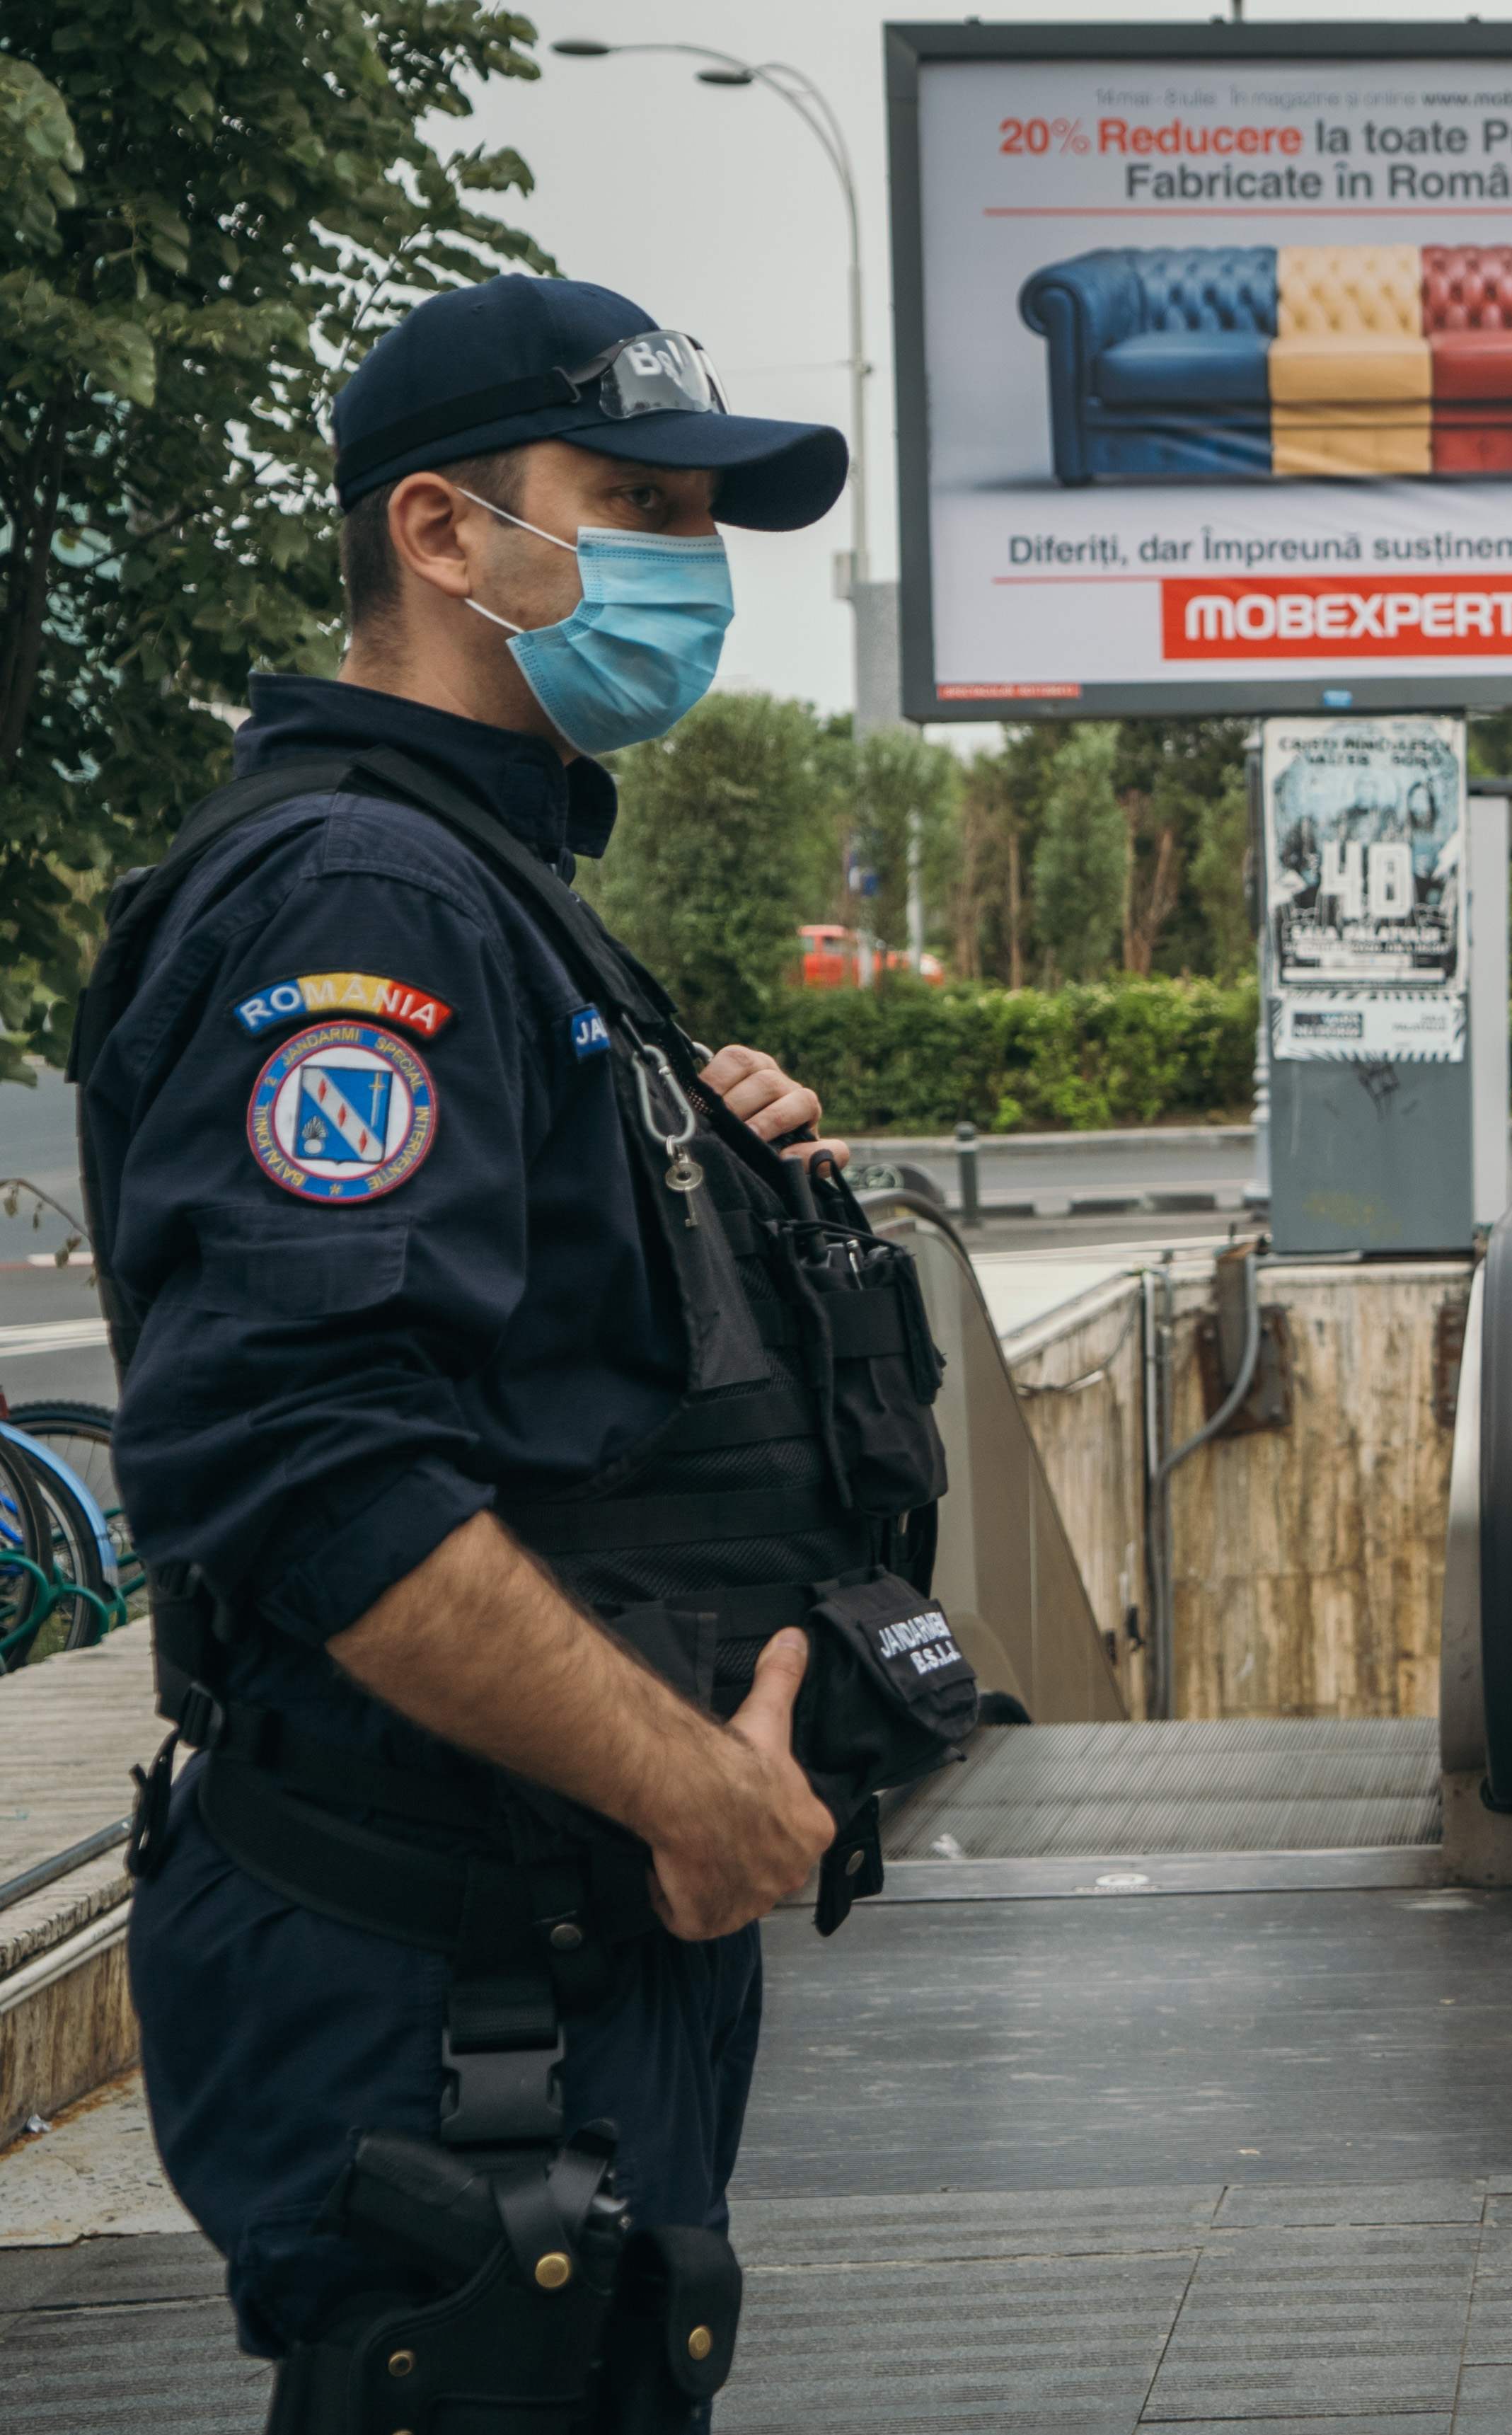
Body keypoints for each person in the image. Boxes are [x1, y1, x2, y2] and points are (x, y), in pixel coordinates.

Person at [73, 276, 969, 2432]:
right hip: (452, 1967)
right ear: (441, 536)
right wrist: (701, 1791)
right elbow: (303, 1460)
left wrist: (697, 1170)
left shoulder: (496, 882)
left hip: (556, 1935)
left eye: (703, 519)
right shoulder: (361, 898)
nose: (688, 565)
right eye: (635, 503)